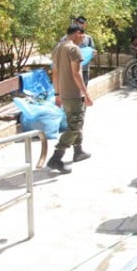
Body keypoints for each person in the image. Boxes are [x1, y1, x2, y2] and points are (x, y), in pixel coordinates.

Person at [46, 24, 94, 174]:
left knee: (76, 122)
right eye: (82, 36)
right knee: (75, 126)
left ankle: (78, 151)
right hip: (74, 94)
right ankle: (56, 157)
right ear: (77, 33)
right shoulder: (74, 49)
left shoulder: (57, 48)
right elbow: (76, 73)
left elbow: (54, 73)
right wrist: (86, 94)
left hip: (64, 94)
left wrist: (57, 94)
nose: (83, 39)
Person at [75, 16, 97, 86]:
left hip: (84, 69)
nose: (81, 25)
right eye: (80, 22)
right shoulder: (68, 37)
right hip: (73, 70)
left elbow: (92, 51)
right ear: (76, 23)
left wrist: (93, 53)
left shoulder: (88, 38)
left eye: (83, 23)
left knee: (84, 87)